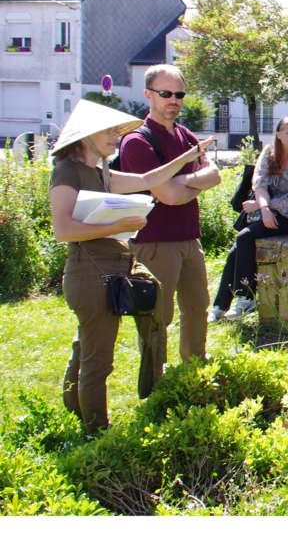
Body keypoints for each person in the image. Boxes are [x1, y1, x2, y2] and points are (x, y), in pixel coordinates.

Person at [49, 100, 212, 434]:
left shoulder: (101, 173)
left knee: (89, 347)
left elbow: (147, 179)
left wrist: (185, 158)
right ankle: (97, 434)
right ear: (87, 135)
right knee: (98, 361)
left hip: (113, 267)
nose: (116, 137)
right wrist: (118, 225)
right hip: (89, 271)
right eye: (109, 131)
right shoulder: (67, 170)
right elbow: (62, 229)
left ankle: (76, 410)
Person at [118, 64, 222, 368]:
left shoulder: (184, 135)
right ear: (148, 95)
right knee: (157, 316)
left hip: (189, 238)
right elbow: (170, 197)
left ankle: (195, 367)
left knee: (197, 307)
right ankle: (155, 379)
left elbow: (214, 175)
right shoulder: (137, 141)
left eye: (179, 94)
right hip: (155, 242)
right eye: (165, 93)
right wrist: (192, 185)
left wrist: (181, 181)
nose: (173, 100)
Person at [210, 117, 288, 322]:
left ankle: (246, 299)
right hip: (268, 211)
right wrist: (264, 208)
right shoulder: (269, 153)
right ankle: (220, 306)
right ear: (278, 134)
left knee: (244, 238)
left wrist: (262, 206)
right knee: (236, 250)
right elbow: (260, 184)